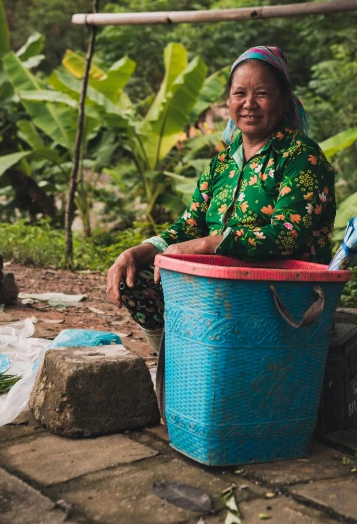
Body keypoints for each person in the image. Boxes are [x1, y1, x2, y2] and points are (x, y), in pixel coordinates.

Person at [106, 45, 336, 352]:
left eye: (262, 94)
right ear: (228, 100)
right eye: (240, 93)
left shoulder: (300, 156)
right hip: (219, 282)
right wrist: (140, 251)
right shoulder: (222, 163)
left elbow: (286, 237)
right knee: (133, 276)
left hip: (278, 289)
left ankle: (208, 360)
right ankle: (177, 360)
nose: (249, 104)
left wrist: (206, 244)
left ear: (284, 102)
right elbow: (189, 226)